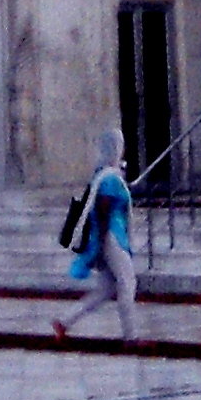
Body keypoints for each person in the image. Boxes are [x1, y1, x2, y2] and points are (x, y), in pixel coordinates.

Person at [53, 128, 140, 342]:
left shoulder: (103, 174)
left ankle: (64, 322)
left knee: (107, 288)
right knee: (128, 282)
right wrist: (101, 244)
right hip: (112, 237)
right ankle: (131, 337)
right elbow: (103, 211)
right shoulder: (110, 179)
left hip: (108, 237)